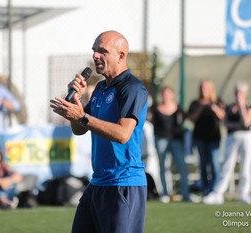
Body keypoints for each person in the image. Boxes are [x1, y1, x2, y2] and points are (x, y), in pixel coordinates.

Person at [50, 30, 148, 233]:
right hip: (98, 184)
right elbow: (79, 129)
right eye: (94, 50)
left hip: (123, 185)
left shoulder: (132, 88)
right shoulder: (100, 89)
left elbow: (122, 134)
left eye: (102, 51)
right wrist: (77, 105)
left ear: (121, 55)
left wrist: (82, 117)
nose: (95, 55)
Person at [203, 81, 251, 205]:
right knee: (227, 165)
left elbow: (247, 122)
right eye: (237, 92)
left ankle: (244, 193)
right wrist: (217, 110)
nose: (239, 95)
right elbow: (224, 120)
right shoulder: (229, 107)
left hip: (247, 137)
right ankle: (218, 193)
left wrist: (242, 107)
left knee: (246, 166)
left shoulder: (249, 106)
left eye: (242, 92)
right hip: (232, 137)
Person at [151, 86, 191, 203]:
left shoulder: (178, 108)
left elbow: (186, 119)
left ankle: (186, 194)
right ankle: (165, 193)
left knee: (182, 166)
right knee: (163, 166)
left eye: (169, 94)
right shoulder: (156, 108)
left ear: (172, 95)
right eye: (164, 94)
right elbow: (152, 120)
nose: (166, 96)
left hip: (176, 140)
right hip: (161, 140)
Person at [187, 80, 225, 197]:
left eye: (206, 87)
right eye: (202, 87)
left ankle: (215, 189)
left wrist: (215, 109)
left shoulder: (218, 101)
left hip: (214, 138)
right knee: (203, 164)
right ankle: (205, 189)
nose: (204, 90)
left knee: (214, 163)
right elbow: (191, 118)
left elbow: (224, 116)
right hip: (200, 138)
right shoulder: (195, 103)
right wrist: (201, 108)